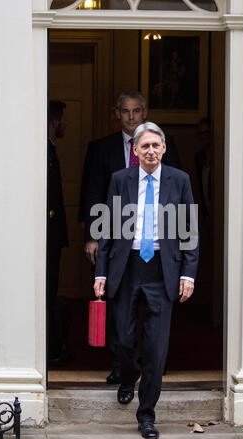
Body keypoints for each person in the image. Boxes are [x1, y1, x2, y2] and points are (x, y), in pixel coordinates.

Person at [93, 122, 199, 439]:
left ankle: (147, 415)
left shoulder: (179, 180)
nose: (151, 151)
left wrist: (188, 273)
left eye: (156, 145)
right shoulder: (120, 180)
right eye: (144, 146)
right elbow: (107, 228)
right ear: (135, 152)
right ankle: (130, 373)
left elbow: (189, 230)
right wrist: (100, 272)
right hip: (126, 268)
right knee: (123, 341)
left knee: (156, 348)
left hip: (162, 271)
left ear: (163, 148)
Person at [82, 91, 181, 385]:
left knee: (155, 317)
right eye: (125, 111)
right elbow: (94, 193)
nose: (131, 116)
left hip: (157, 245)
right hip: (117, 241)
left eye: (137, 111)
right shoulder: (102, 148)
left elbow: (178, 193)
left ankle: (152, 367)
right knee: (119, 314)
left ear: (145, 111)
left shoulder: (164, 146)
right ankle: (123, 367)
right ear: (117, 113)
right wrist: (93, 236)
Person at [47, 100, 70, 367]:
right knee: (48, 290)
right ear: (55, 120)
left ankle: (54, 344)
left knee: (52, 290)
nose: (66, 124)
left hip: (53, 235)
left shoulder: (51, 150)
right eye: (63, 119)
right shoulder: (46, 150)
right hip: (48, 235)